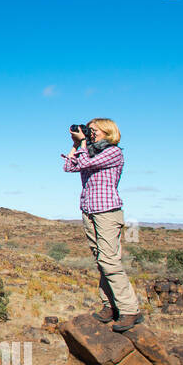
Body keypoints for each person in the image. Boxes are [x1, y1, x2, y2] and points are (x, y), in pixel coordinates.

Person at [61, 118, 142, 332]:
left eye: (94, 130)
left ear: (107, 132)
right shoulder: (90, 151)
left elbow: (85, 163)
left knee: (109, 261)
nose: (91, 133)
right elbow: (69, 166)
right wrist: (76, 144)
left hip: (106, 212)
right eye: (90, 130)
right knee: (101, 261)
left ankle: (129, 309)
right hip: (89, 211)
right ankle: (109, 306)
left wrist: (83, 146)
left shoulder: (113, 152)